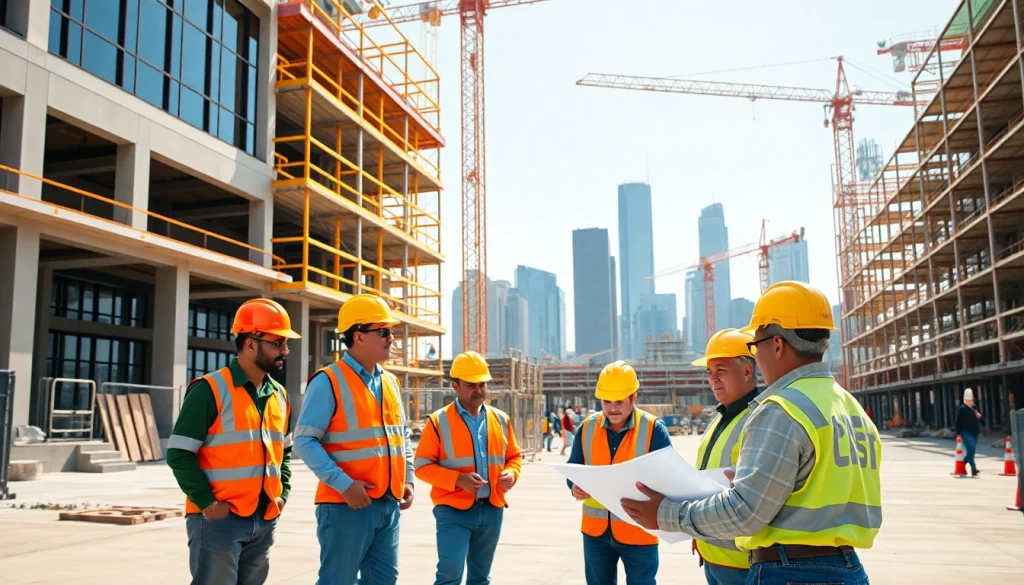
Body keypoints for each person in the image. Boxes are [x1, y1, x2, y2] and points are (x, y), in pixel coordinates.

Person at [620, 281, 882, 585]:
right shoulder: (851, 408)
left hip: (790, 571)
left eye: (756, 346)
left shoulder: (782, 409)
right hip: (847, 567)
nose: (757, 358)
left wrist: (665, 515)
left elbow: (744, 513)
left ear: (778, 345)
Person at [167, 298, 301, 585]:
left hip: (264, 516)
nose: (285, 350)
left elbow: (285, 452)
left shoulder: (279, 395)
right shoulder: (208, 390)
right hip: (219, 520)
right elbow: (179, 454)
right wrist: (209, 505)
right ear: (251, 343)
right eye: (278, 342)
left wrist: (282, 494)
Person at [293, 294, 416, 585]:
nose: (391, 338)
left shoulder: (390, 382)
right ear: (358, 336)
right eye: (383, 331)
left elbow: (401, 436)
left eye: (391, 331)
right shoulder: (328, 381)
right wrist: (344, 485)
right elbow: (304, 441)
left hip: (388, 504)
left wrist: (407, 477)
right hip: (345, 506)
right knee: (338, 580)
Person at [414, 351, 523, 585]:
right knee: (450, 575)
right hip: (453, 510)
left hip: (492, 509)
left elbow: (514, 456)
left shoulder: (501, 419)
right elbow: (422, 466)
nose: (479, 390)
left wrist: (511, 474)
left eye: (482, 384)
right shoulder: (438, 421)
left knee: (480, 578)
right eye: (471, 385)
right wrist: (457, 480)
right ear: (455, 386)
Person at [568, 360, 672, 585]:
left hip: (639, 530)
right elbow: (573, 468)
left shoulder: (654, 429)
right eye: (607, 402)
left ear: (634, 397)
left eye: (619, 402)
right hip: (595, 534)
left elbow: (670, 478)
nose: (613, 409)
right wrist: (574, 487)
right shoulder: (587, 427)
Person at [690, 329, 760, 585]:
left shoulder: (760, 419)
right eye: (709, 373)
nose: (713, 379)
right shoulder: (717, 418)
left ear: (746, 371)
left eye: (720, 370)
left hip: (742, 564)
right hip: (711, 555)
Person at [955, 387, 983, 477]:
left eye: (970, 400)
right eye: (967, 400)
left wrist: (980, 416)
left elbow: (982, 420)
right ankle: (968, 464)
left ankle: (972, 468)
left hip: (975, 431)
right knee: (971, 449)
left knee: (973, 450)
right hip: (965, 432)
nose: (969, 402)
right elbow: (958, 422)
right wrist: (958, 434)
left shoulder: (975, 408)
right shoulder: (962, 409)